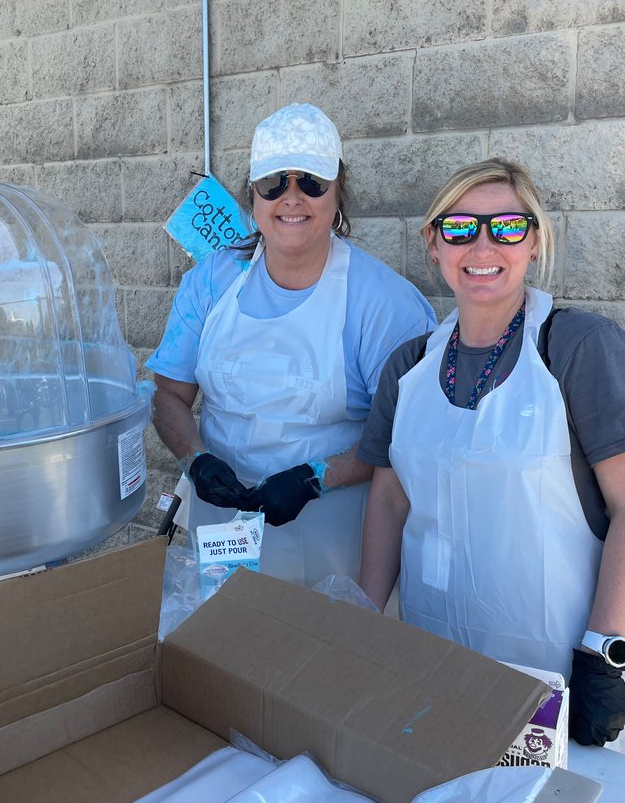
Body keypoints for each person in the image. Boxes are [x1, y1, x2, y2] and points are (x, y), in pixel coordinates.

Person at [357, 159, 625, 803]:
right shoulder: (409, 367)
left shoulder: (580, 349)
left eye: (507, 226)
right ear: (433, 244)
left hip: (575, 677)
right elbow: (391, 499)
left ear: (534, 241)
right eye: (459, 228)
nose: (481, 247)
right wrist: (363, 624)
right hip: (456, 671)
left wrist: (605, 652)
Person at [147, 103, 436, 587]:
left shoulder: (382, 302)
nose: (291, 198)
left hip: (336, 545)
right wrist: (195, 458)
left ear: (338, 190)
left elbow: (406, 436)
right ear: (254, 193)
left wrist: (316, 476)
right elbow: (168, 397)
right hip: (222, 535)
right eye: (274, 182)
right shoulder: (211, 281)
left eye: (311, 182)